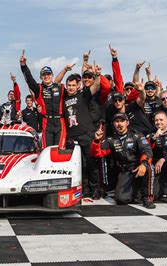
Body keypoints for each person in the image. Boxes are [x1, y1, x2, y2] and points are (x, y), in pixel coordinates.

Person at [91, 112, 155, 209]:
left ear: (127, 123)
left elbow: (147, 151)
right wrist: (96, 141)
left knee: (149, 166)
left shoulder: (137, 135)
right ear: (113, 124)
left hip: (139, 167)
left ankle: (147, 198)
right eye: (117, 121)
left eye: (122, 121)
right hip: (126, 172)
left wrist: (144, 164)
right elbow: (98, 153)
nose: (119, 124)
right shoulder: (111, 139)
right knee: (121, 200)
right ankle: (136, 192)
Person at [63, 70, 101, 199]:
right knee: (81, 165)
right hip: (73, 137)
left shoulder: (83, 95)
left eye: (73, 85)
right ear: (66, 85)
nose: (71, 87)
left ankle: (96, 189)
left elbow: (96, 86)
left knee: (91, 163)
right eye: (69, 85)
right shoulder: (63, 100)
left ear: (78, 85)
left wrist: (98, 75)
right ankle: (85, 190)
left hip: (87, 134)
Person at [20, 50, 66, 148]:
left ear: (52, 75)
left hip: (60, 122)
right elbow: (30, 80)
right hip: (47, 123)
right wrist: (24, 66)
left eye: (48, 74)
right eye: (44, 75)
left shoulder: (61, 87)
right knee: (47, 149)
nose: (46, 76)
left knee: (60, 149)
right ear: (41, 77)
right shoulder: (39, 88)